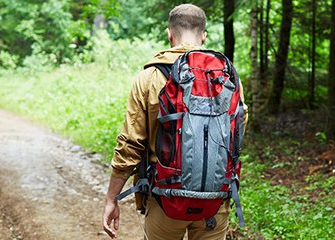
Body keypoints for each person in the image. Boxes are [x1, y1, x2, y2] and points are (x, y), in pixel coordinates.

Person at [102, 4, 247, 239]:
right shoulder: (227, 77)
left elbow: (130, 143)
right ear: (204, 36)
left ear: (169, 33)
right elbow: (237, 135)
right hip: (215, 201)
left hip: (165, 199)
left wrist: (111, 198)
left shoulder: (150, 77)